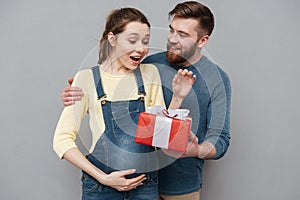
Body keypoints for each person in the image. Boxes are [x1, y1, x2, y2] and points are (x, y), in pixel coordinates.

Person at [61, 1, 231, 200]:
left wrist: (198, 150)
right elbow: (109, 99)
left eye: (183, 35)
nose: (172, 40)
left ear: (202, 41)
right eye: (171, 30)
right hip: (134, 184)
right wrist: (78, 95)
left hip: (180, 187)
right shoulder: (148, 65)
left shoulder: (217, 79)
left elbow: (221, 138)